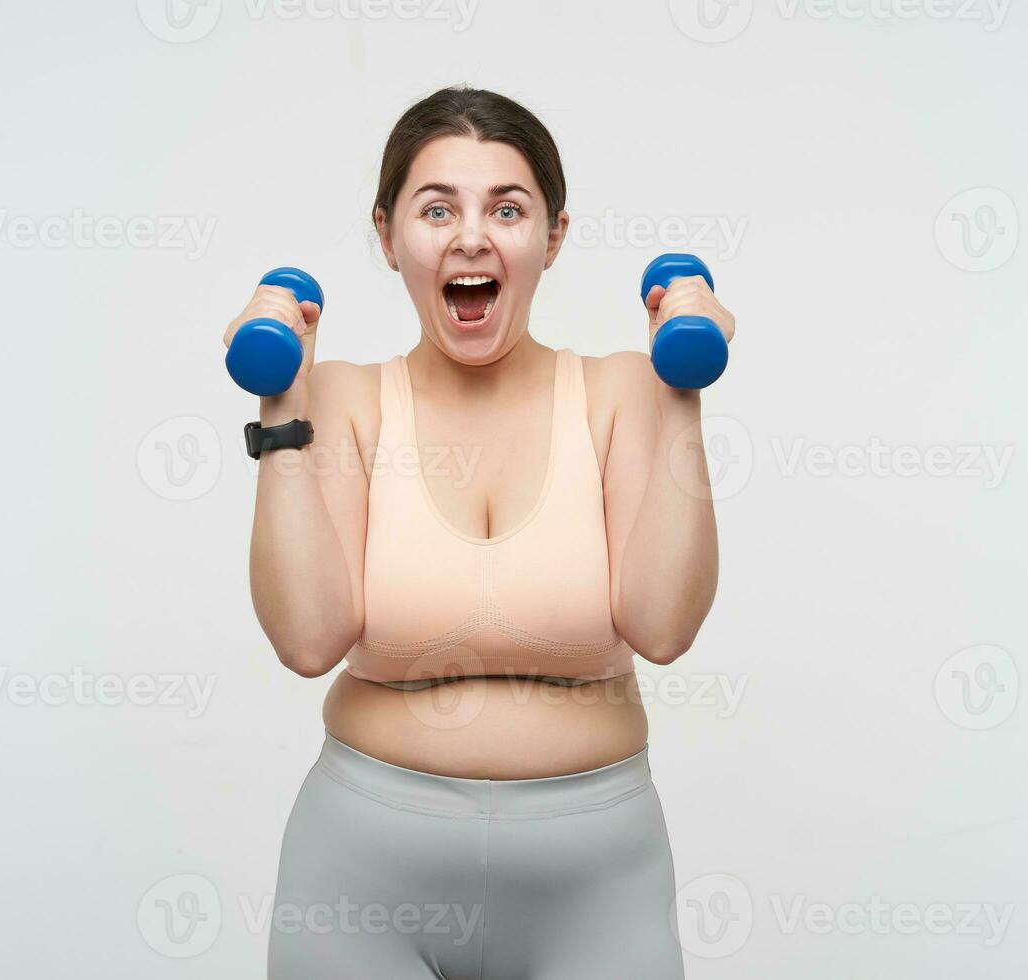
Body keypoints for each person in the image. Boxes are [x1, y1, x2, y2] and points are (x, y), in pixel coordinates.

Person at [223, 85, 733, 979]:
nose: (471, 237)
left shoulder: (622, 392)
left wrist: (683, 391)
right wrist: (280, 403)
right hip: (359, 883)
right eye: (436, 209)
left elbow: (664, 628)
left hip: (597, 885)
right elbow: (307, 642)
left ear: (553, 237)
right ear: (388, 238)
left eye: (507, 208)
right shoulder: (337, 401)